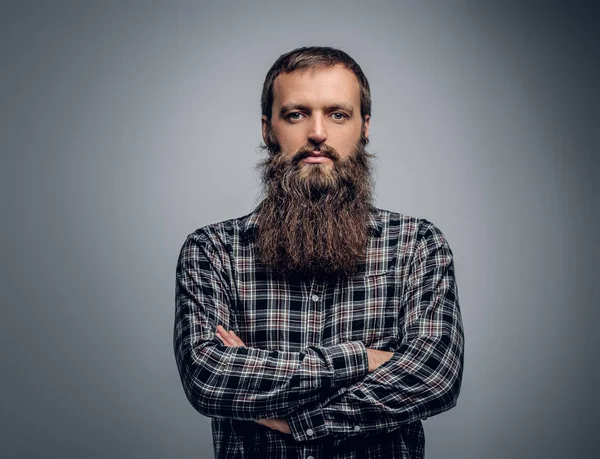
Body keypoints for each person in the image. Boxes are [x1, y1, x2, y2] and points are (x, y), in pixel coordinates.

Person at [173, 46, 464, 459]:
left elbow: (434, 376)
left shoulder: (417, 245)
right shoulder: (212, 252)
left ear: (364, 127)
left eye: (337, 114)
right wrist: (363, 360)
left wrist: (300, 420)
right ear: (266, 129)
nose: (317, 133)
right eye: (296, 114)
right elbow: (210, 378)